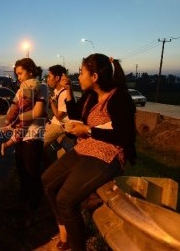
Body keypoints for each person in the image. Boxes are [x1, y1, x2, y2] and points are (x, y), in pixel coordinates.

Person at [41, 53, 136, 250]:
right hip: (85, 147)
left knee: (65, 199)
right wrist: (67, 92)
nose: (78, 76)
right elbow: (78, 118)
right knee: (47, 181)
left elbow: (125, 136)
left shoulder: (119, 98)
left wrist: (89, 130)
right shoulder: (91, 96)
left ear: (94, 77)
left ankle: (77, 246)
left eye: (81, 72)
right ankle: (64, 230)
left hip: (107, 154)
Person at [2, 57, 48, 225]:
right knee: (23, 174)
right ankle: (23, 205)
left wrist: (17, 118)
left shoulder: (41, 87)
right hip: (21, 137)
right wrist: (9, 122)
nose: (19, 77)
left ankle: (33, 210)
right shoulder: (21, 88)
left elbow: (39, 112)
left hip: (33, 138)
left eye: (20, 73)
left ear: (30, 70)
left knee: (33, 176)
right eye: (17, 74)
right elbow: (14, 107)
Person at [1, 78, 40, 156]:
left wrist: (8, 121)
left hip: (24, 123)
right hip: (21, 123)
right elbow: (13, 112)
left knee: (17, 134)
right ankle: (6, 145)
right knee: (18, 135)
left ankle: (6, 143)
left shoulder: (25, 101)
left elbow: (13, 111)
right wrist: (8, 121)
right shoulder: (25, 102)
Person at [44, 65, 70, 149]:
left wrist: (51, 101)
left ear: (57, 78)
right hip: (54, 122)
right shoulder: (56, 90)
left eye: (49, 76)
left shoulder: (64, 93)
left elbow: (59, 116)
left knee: (37, 144)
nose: (47, 79)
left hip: (60, 125)